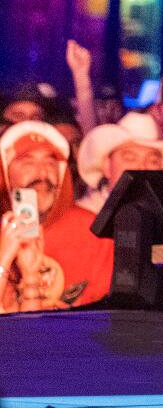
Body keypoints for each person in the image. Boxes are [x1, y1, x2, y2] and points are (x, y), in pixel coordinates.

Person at [0, 120, 114, 312]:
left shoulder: (93, 231)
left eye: (51, 162)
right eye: (27, 161)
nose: (42, 173)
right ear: (5, 172)